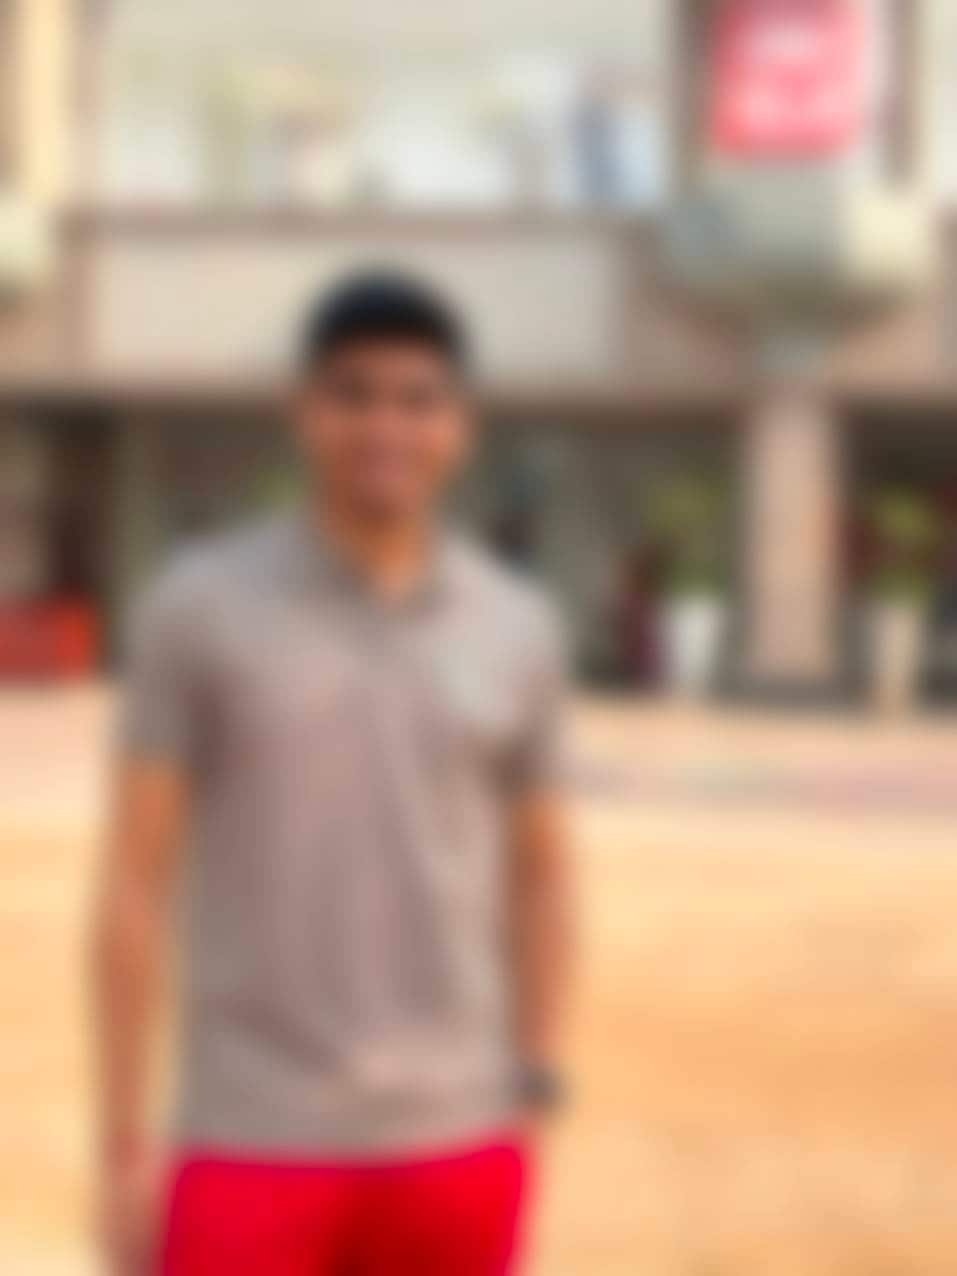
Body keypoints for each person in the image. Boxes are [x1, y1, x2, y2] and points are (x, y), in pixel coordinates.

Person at [92, 271, 574, 1276]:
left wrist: (536, 1076)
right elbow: (133, 883)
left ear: (460, 426)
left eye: (418, 399)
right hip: (250, 1133)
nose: (384, 426)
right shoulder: (199, 607)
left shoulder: (518, 626)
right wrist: (122, 1141)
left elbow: (541, 874)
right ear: (303, 411)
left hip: (457, 1138)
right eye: (353, 393)